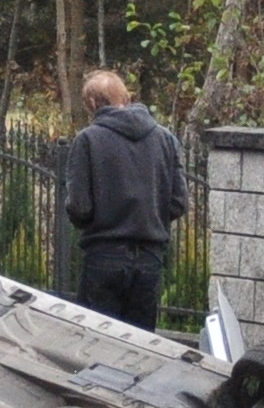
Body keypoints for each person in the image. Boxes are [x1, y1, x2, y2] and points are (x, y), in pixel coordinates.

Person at [56, 69, 190, 329]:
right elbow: (179, 202)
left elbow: (79, 207)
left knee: (98, 343)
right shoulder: (165, 139)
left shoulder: (88, 140)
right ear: (126, 97)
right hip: (149, 259)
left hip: (104, 257)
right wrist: (149, 217)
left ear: (93, 104)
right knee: (140, 347)